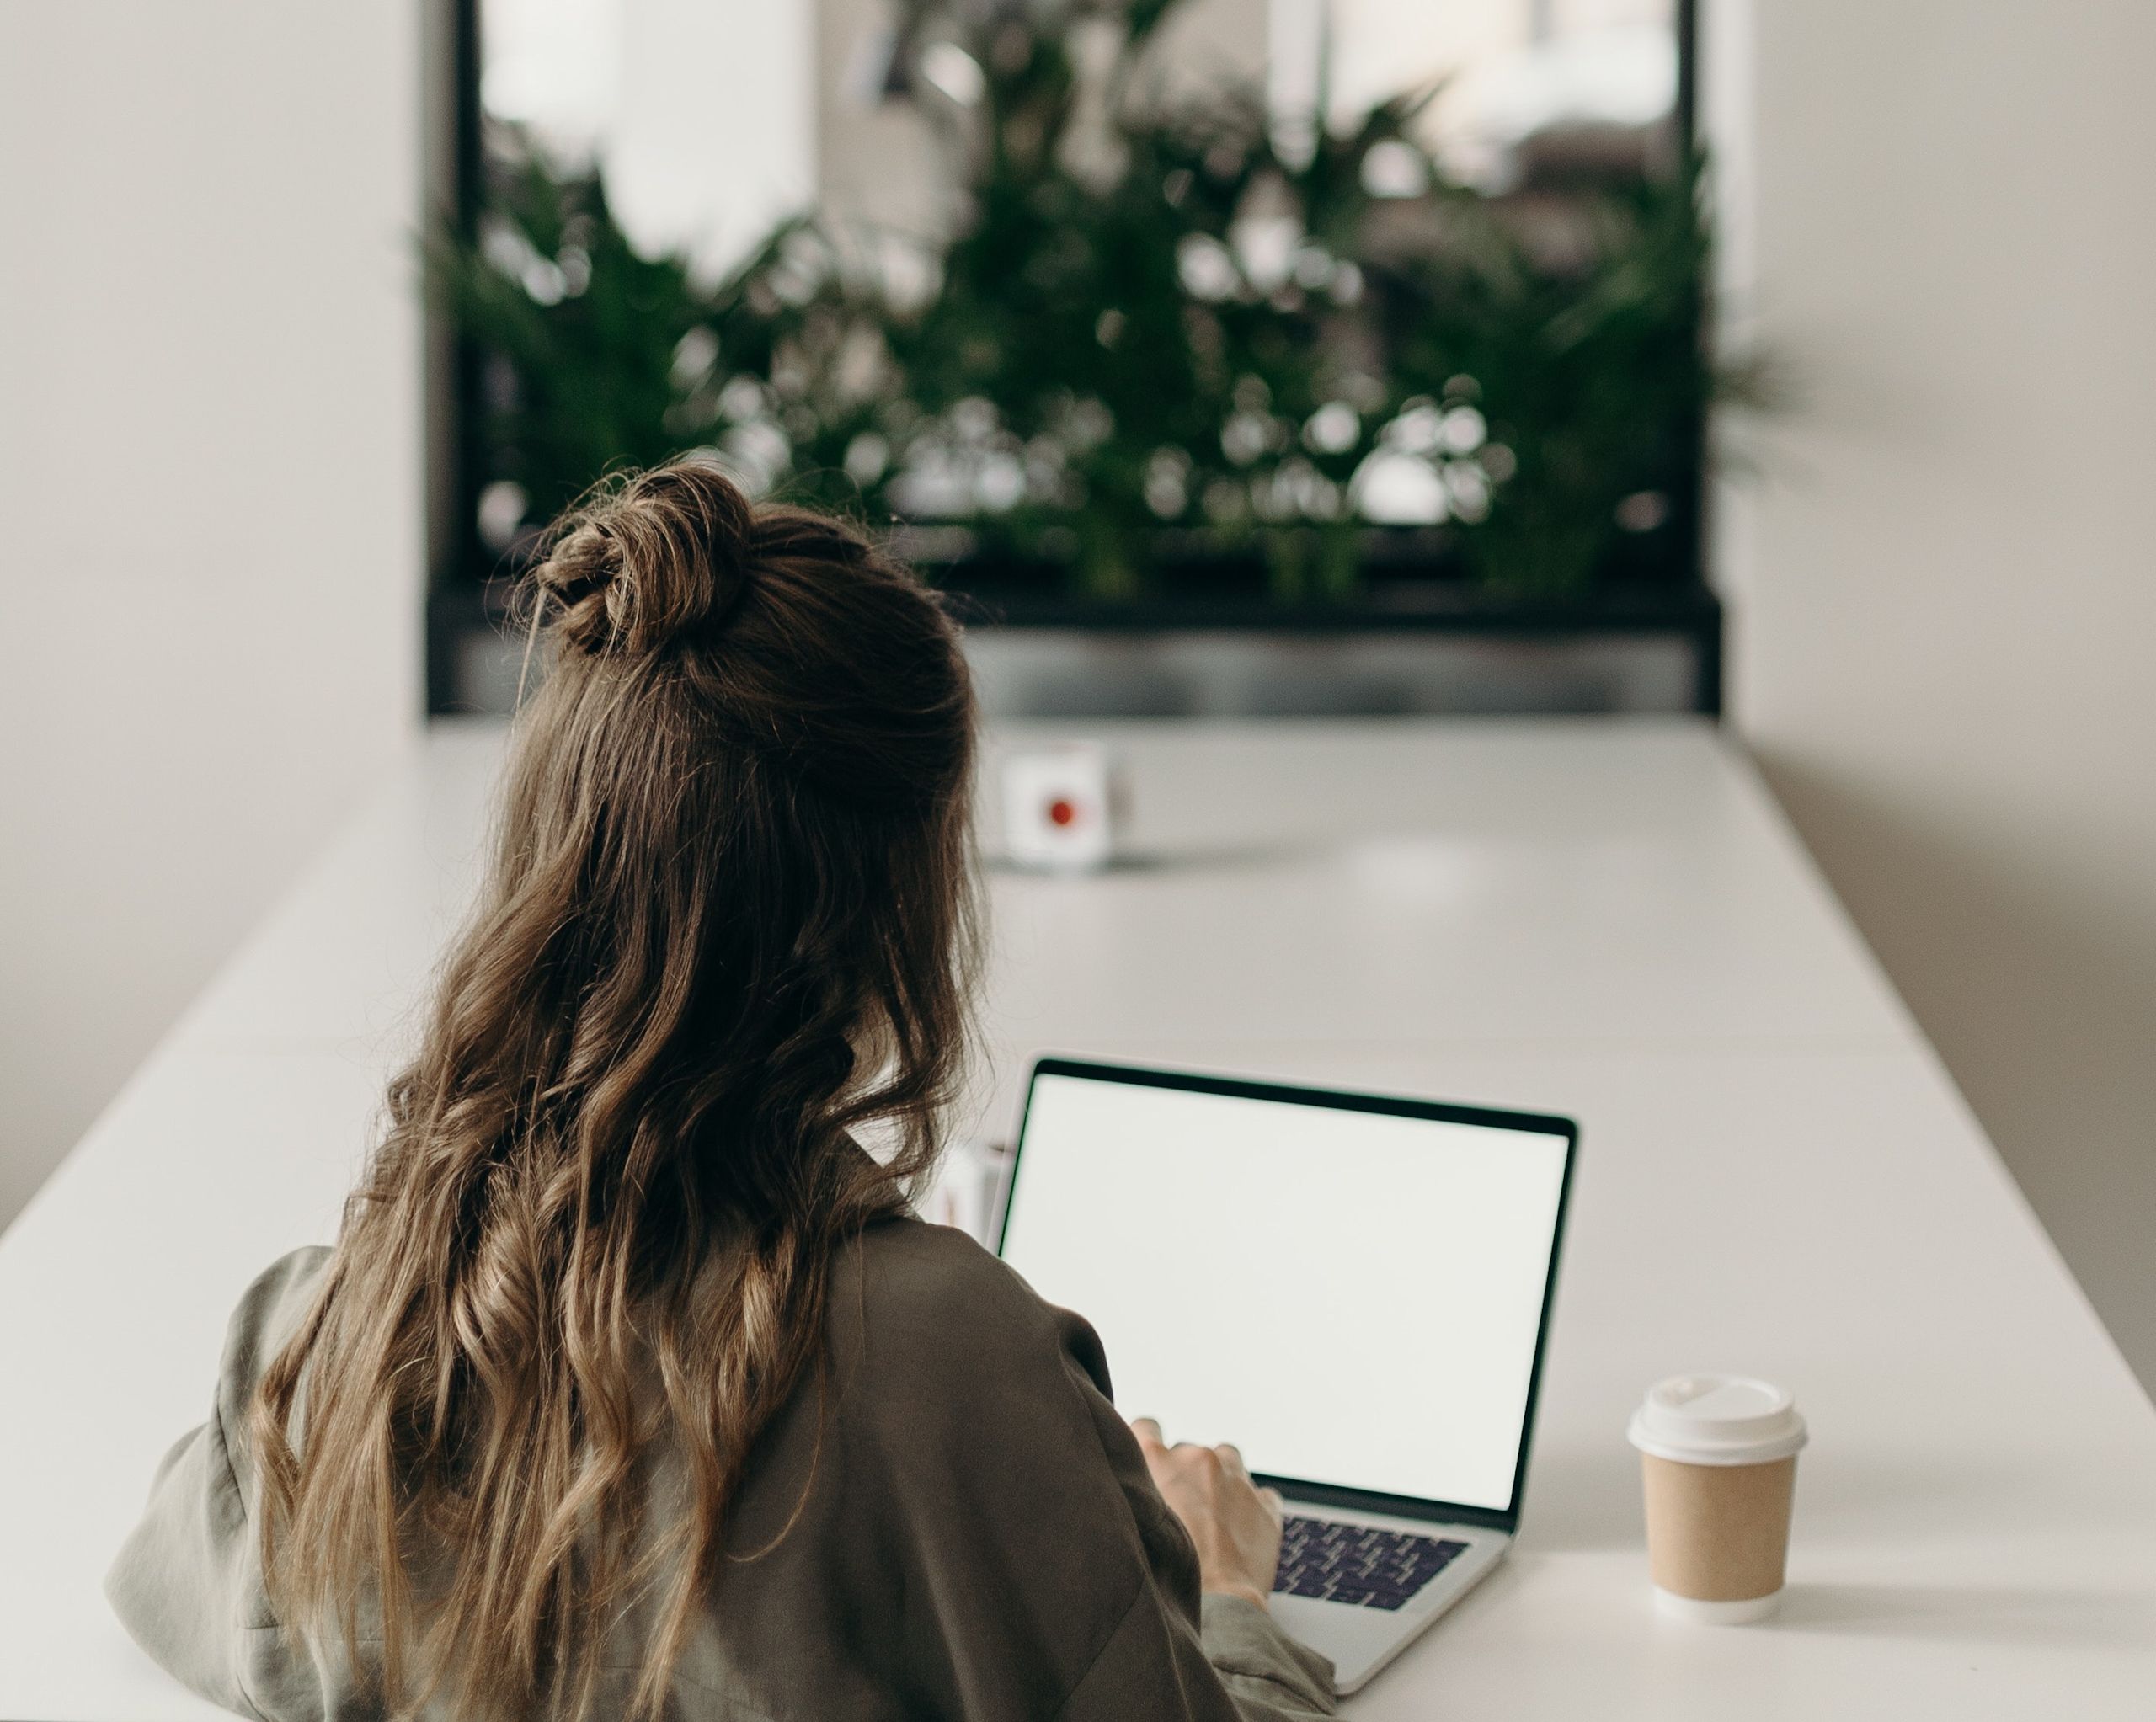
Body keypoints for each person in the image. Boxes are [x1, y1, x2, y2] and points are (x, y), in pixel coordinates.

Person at [106, 461, 1337, 1721]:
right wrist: (1233, 1593)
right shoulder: (951, 1368)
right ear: (895, 910)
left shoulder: (327, 1339)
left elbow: (191, 1588)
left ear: (548, 860)